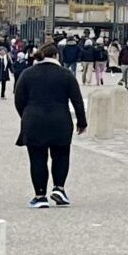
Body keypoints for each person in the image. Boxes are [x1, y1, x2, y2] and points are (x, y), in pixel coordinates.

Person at [14, 41, 87, 209]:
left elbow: (19, 99)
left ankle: (40, 195)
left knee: (37, 158)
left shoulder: (27, 74)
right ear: (56, 56)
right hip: (60, 120)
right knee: (61, 155)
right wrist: (82, 122)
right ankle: (59, 188)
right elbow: (77, 100)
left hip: (34, 120)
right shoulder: (66, 74)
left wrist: (26, 115)